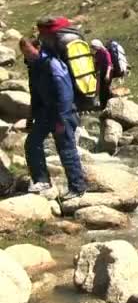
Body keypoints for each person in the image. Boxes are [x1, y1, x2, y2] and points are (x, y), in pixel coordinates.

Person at [20, 37, 87, 199]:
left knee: (65, 149)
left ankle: (78, 187)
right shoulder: (34, 66)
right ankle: (42, 180)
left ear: (38, 47)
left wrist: (61, 119)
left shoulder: (52, 63)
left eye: (29, 52)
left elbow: (65, 93)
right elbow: (35, 94)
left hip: (63, 112)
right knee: (32, 143)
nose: (27, 56)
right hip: (45, 113)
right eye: (24, 53)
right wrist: (30, 118)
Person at [91, 39, 113, 108]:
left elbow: (109, 64)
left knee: (106, 88)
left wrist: (107, 74)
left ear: (98, 45)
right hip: (102, 72)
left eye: (94, 47)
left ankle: (109, 104)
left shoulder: (105, 52)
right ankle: (103, 105)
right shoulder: (98, 53)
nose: (93, 48)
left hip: (108, 71)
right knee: (101, 89)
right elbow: (97, 63)